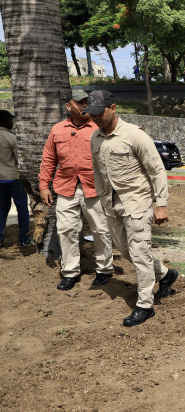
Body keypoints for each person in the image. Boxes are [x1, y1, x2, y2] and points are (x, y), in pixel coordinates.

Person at [85, 90, 178, 327]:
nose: (95, 118)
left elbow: (157, 169)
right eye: (92, 114)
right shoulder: (95, 138)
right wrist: (100, 198)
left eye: (99, 113)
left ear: (113, 108)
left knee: (139, 253)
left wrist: (161, 204)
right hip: (110, 203)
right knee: (126, 252)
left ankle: (145, 305)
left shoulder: (134, 134)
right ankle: (166, 274)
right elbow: (97, 171)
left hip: (137, 202)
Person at [38, 89, 113, 290]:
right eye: (79, 102)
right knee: (66, 230)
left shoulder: (99, 127)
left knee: (101, 229)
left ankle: (104, 270)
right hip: (66, 188)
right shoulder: (58, 130)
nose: (84, 106)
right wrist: (44, 185)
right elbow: (49, 159)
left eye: (86, 102)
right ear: (68, 106)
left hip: (95, 188)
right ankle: (70, 272)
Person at [0, 110, 31, 248]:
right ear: (4, 121)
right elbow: (20, 161)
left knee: (1, 209)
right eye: (10, 119)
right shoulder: (11, 137)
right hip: (14, 178)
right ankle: (24, 238)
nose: (12, 122)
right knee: (22, 208)